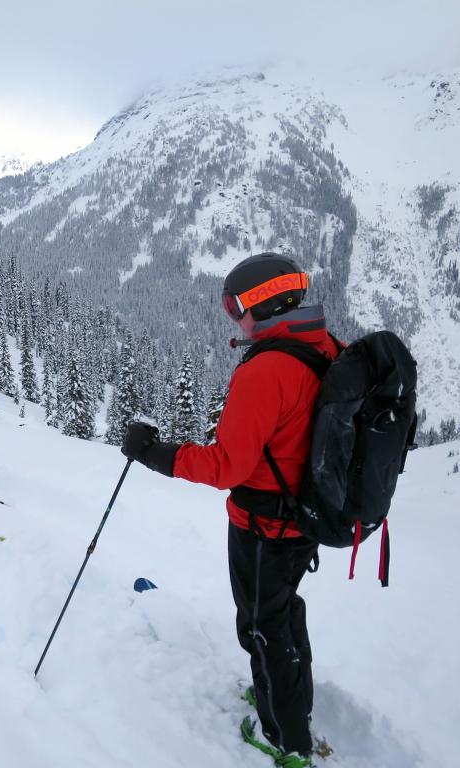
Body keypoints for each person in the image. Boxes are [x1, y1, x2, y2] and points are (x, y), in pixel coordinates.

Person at [121, 253, 340, 768]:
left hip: (265, 526)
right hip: (301, 514)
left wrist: (153, 452)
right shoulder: (320, 345)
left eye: (234, 307)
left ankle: (287, 738)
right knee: (281, 615)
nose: (233, 317)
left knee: (263, 625)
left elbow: (226, 467)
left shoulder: (268, 369)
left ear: (260, 305)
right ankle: (286, 701)